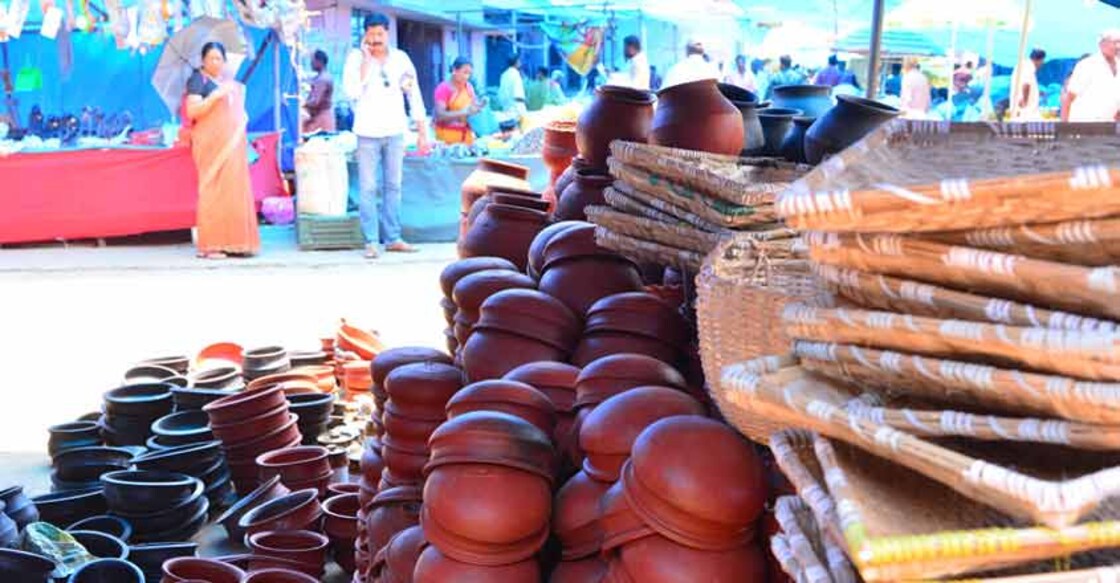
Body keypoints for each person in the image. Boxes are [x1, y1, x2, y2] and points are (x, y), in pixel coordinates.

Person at [343, 13, 428, 258]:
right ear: (365, 35)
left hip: (395, 131)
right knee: (368, 187)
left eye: (380, 34)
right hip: (366, 132)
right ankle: (371, 241)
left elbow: (414, 94)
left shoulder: (401, 59)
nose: (376, 39)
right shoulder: (355, 59)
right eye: (371, 35)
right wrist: (367, 64)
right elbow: (351, 92)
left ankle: (393, 238)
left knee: (394, 186)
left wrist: (422, 131)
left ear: (387, 34)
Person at [184, 42, 259, 259]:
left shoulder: (228, 83)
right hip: (210, 145)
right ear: (203, 61)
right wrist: (216, 96)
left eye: (219, 59)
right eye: (211, 58)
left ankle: (236, 242)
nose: (216, 62)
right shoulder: (198, 80)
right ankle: (210, 245)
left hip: (232, 145)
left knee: (233, 190)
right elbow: (192, 111)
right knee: (213, 191)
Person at [1062, 30, 1120, 122]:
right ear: (1102, 44)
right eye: (1115, 42)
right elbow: (1069, 97)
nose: (1118, 46)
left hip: (1109, 126)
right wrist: (1064, 127)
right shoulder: (1087, 65)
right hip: (1083, 124)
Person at [433, 56, 481, 145]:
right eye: (465, 73)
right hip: (447, 138)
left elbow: (473, 105)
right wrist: (463, 112)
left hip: (466, 137)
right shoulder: (444, 89)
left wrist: (479, 107)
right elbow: (440, 115)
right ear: (454, 70)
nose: (467, 77)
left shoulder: (468, 87)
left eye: (469, 74)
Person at [303, 49, 335, 134]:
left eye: (312, 61)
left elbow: (314, 102)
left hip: (321, 121)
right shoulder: (323, 77)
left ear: (319, 62)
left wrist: (301, 103)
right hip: (322, 118)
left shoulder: (322, 79)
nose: (311, 64)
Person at [1010, 49, 1046, 120]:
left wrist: (1038, 93)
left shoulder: (1022, 65)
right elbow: (1026, 84)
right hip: (1027, 113)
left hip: (1019, 110)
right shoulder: (1029, 67)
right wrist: (1024, 100)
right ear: (1040, 60)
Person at [498, 53, 527, 125]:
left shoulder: (504, 75)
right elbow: (518, 95)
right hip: (516, 110)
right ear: (517, 62)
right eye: (519, 61)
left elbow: (501, 95)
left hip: (506, 110)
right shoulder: (515, 74)